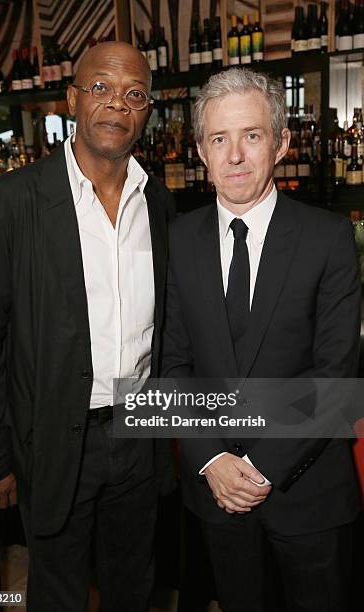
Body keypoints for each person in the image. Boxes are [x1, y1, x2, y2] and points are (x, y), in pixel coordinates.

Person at [0, 41, 175, 612]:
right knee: (57, 589)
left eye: (133, 94)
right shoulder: (10, 203)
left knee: (133, 584)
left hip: (138, 433)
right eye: (101, 88)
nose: (116, 105)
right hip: (54, 437)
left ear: (147, 112)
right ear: (72, 98)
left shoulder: (157, 202)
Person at [161, 67, 361, 612]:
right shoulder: (178, 241)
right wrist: (212, 461)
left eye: (251, 135)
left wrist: (262, 468)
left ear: (281, 143)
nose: (235, 156)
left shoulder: (328, 238)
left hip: (309, 497)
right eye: (219, 139)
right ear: (201, 151)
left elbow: (335, 379)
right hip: (216, 497)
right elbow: (174, 366)